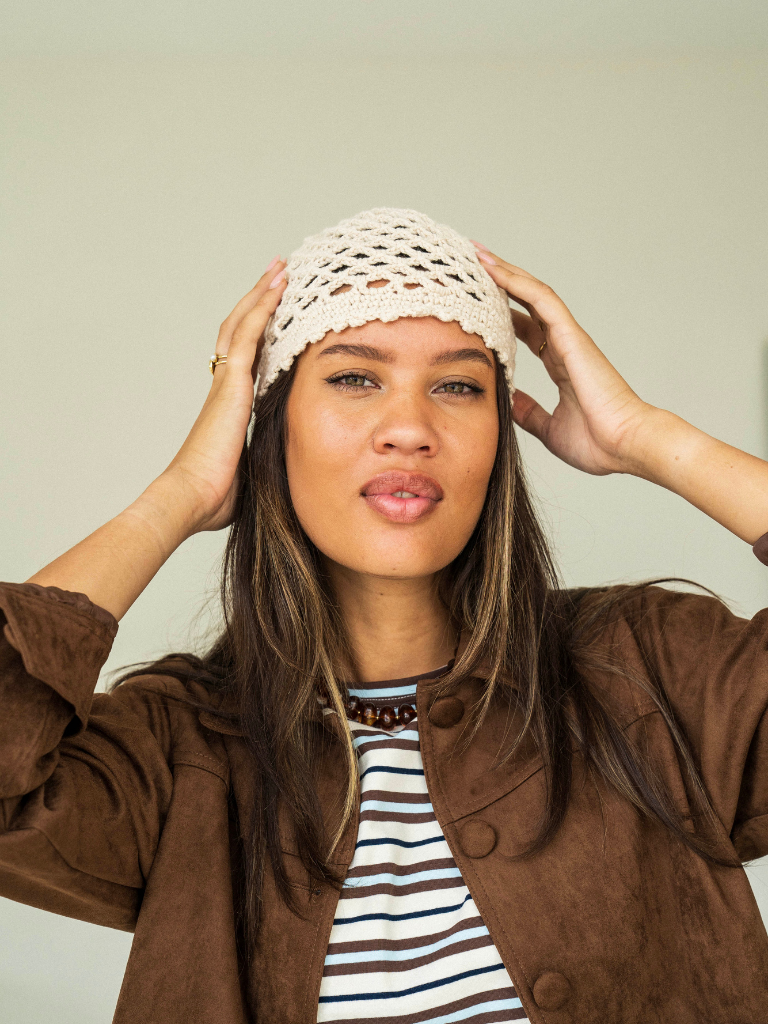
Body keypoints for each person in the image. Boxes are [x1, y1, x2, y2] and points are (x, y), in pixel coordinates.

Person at [1, 207, 767, 1024]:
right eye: (353, 377)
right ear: (271, 426)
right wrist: (180, 494)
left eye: (459, 386)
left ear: (499, 438)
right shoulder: (181, 752)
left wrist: (651, 438)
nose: (409, 429)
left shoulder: (647, 669)